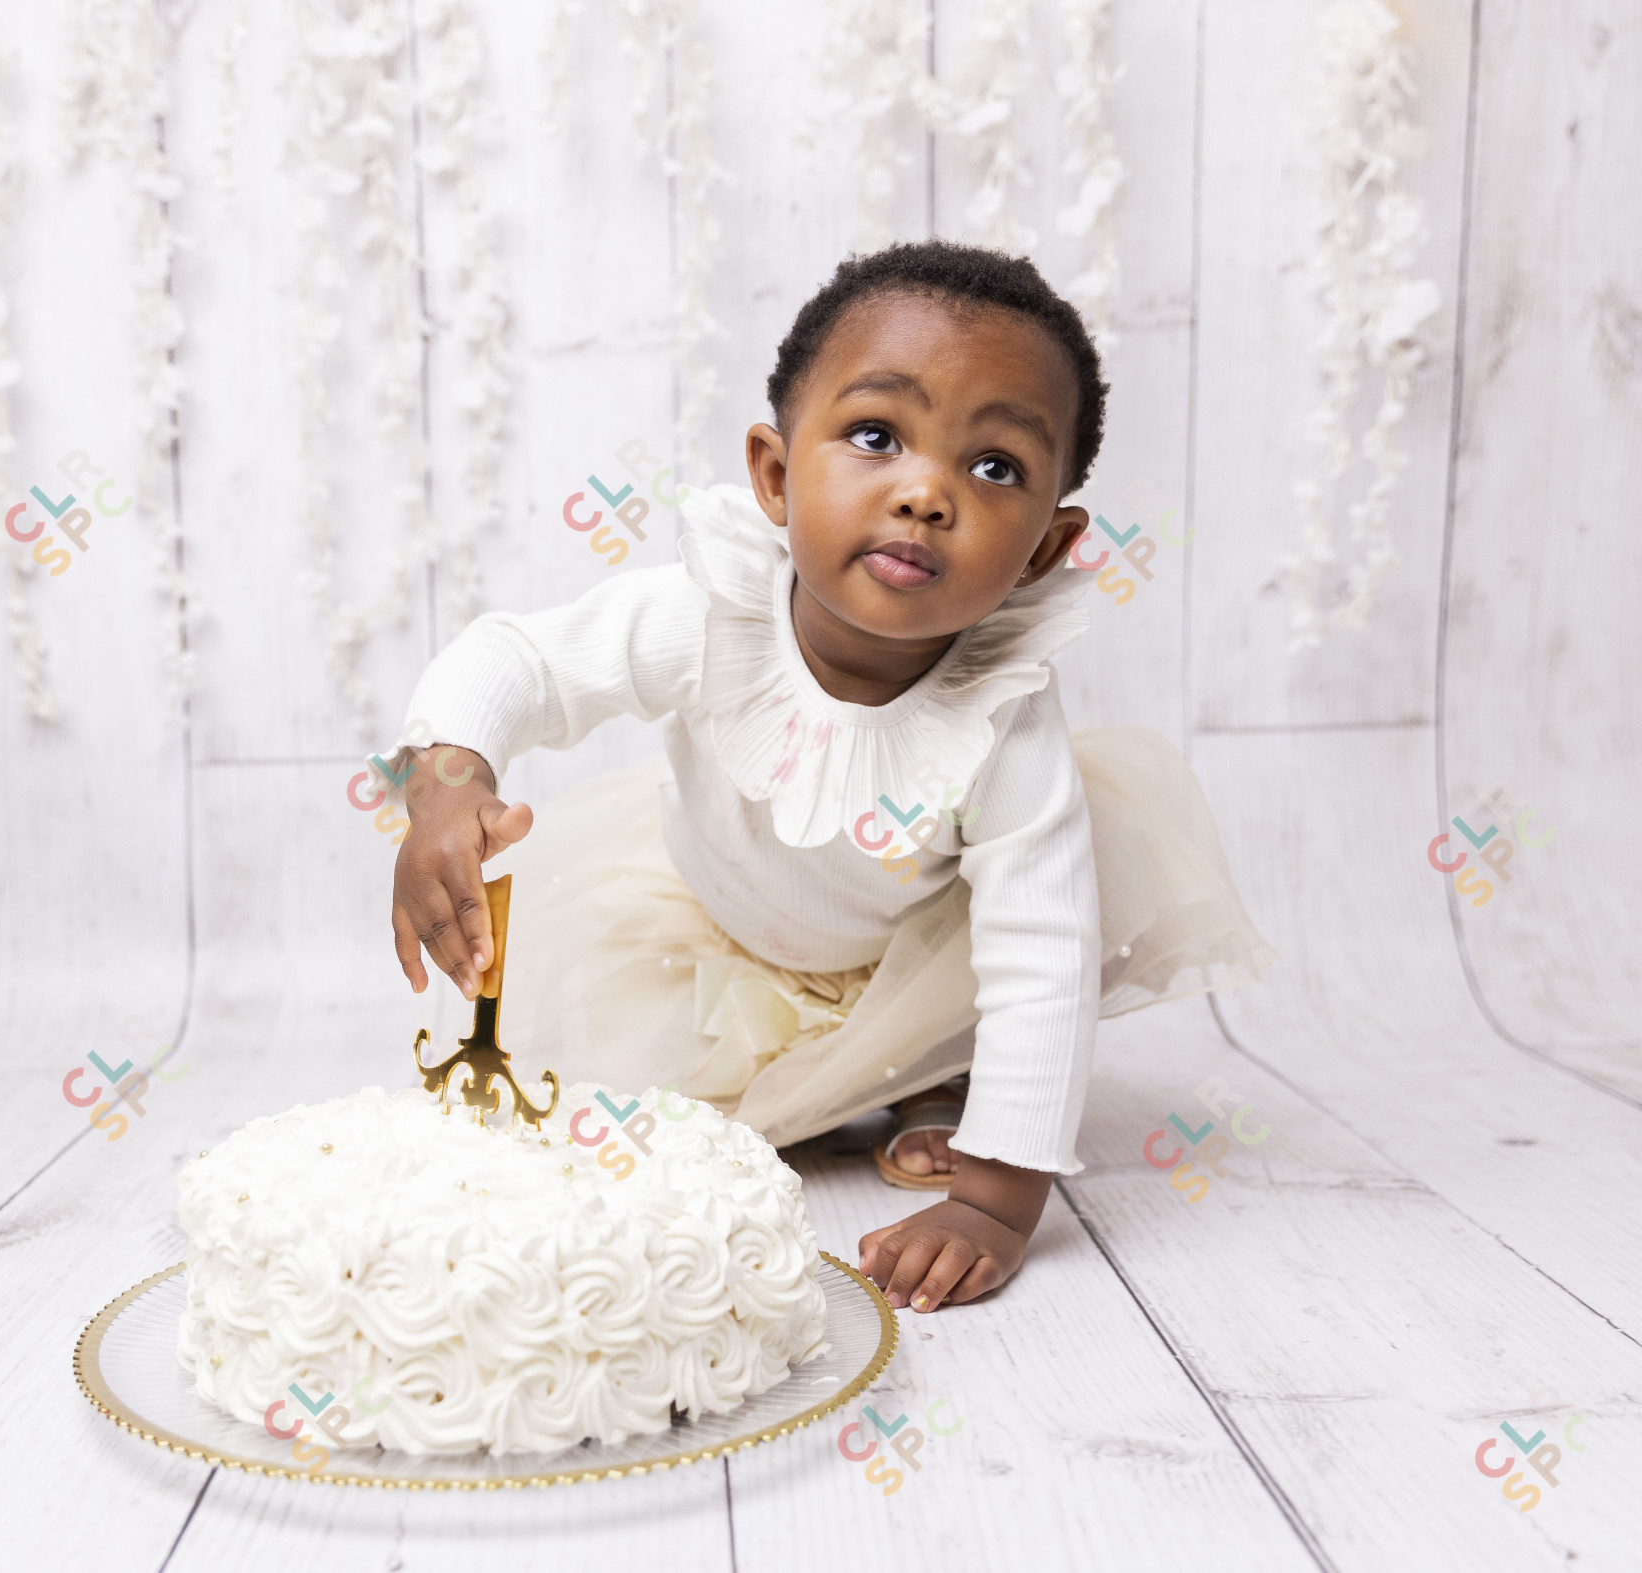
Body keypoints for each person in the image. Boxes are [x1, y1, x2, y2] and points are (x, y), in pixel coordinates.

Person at [377, 240, 1272, 1314]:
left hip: (914, 953)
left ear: (1044, 548)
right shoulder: (711, 617)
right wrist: (445, 781)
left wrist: (997, 1198)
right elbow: (518, 659)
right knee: (617, 1135)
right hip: (718, 918)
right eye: (876, 436)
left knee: (1031, 925)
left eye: (995, 467)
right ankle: (846, 1067)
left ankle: (933, 1068)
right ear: (773, 472)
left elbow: (1042, 953)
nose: (927, 492)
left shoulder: (1002, 715)